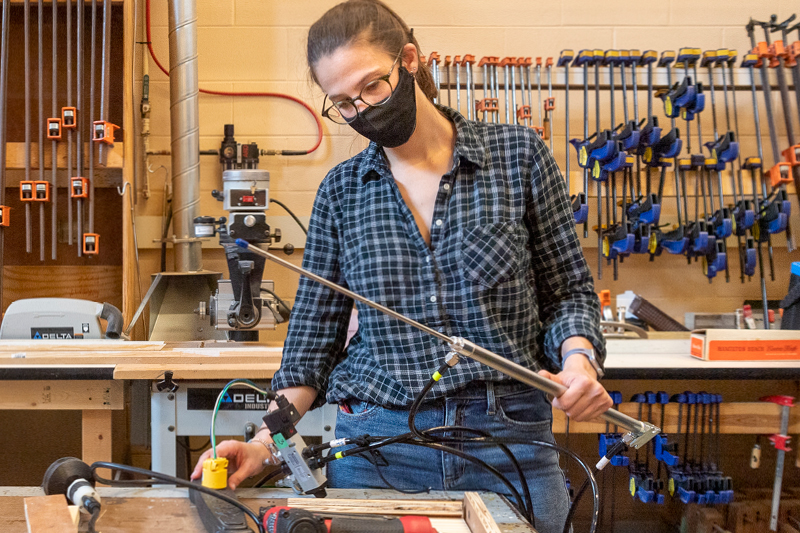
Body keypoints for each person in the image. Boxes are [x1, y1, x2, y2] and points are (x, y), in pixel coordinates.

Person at [192, 1, 612, 531]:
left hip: (509, 440)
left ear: (409, 60)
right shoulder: (342, 193)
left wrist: (579, 364)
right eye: (343, 102)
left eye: (372, 87)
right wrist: (264, 446)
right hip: (379, 449)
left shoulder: (519, 157)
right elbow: (310, 346)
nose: (362, 110)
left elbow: (568, 292)